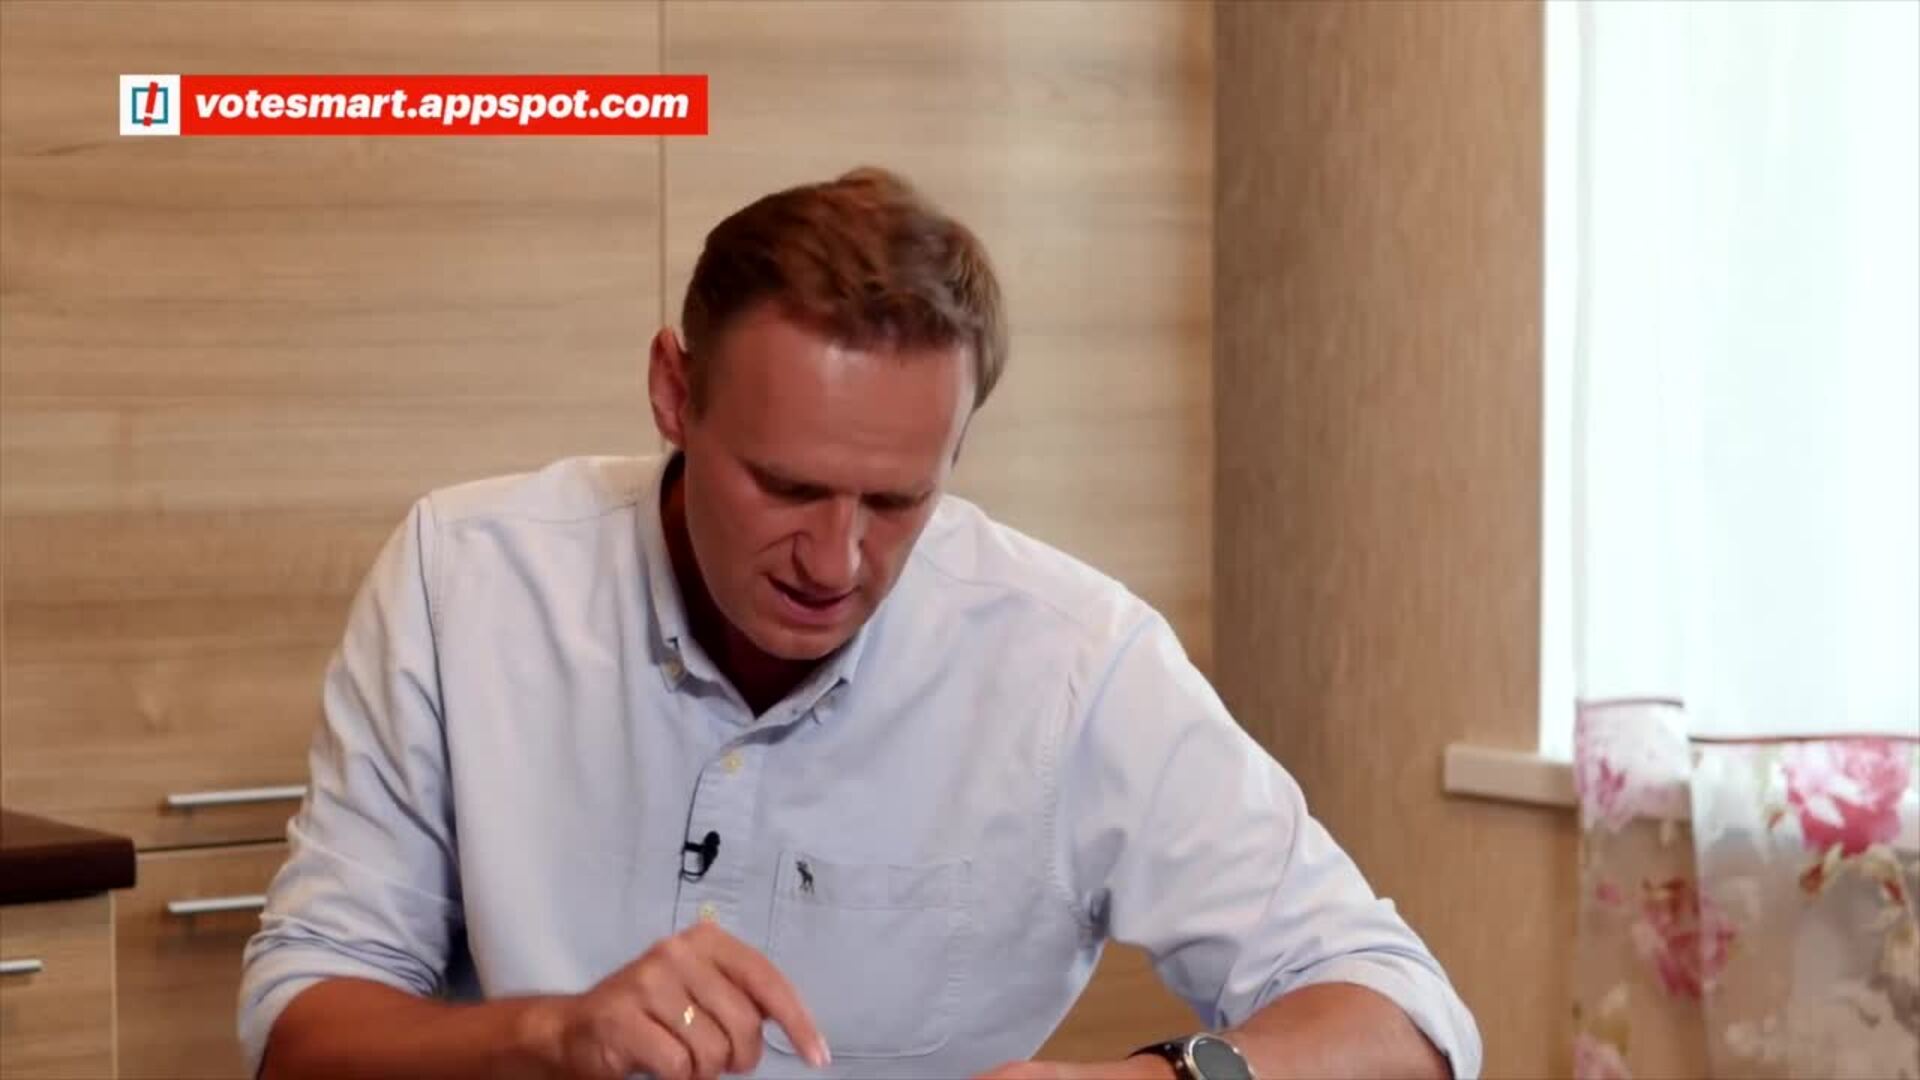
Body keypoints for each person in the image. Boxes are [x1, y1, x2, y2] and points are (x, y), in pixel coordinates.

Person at [239, 167, 1481, 1080]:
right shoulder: (463, 578)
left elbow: (1407, 1018)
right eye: (784, 487)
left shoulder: (1074, 661)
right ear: (674, 391)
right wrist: (552, 1036)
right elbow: (300, 1032)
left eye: (896, 502)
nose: (835, 563)